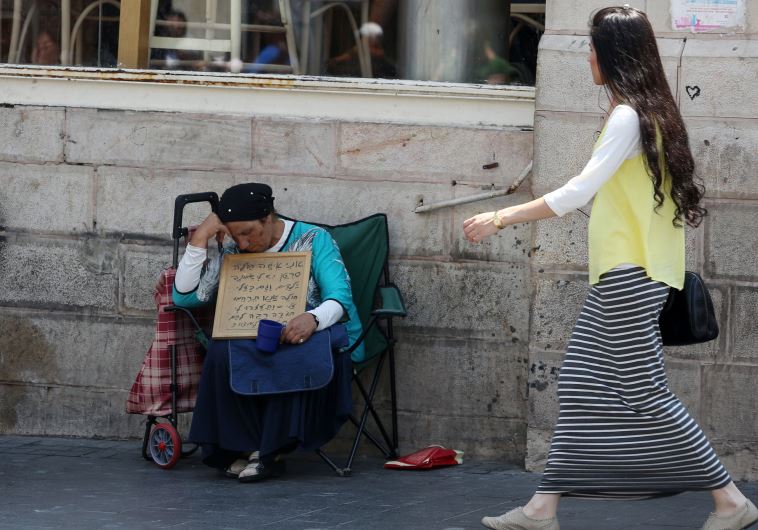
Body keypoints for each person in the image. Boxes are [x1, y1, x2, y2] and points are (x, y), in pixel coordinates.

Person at [463, 6, 757, 530]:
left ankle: (730, 501)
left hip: (629, 278)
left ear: (614, 55)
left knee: (646, 393)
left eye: (593, 48)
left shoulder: (627, 118)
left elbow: (578, 191)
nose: (589, 58)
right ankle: (541, 509)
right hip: (632, 276)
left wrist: (500, 217)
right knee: (579, 383)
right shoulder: (651, 113)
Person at [173, 182, 363, 482]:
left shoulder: (314, 239)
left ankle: (268, 450)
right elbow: (184, 297)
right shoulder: (235, 249)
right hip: (253, 334)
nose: (243, 243)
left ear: (268, 218)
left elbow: (340, 298)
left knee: (286, 352)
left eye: (248, 233)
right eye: (235, 235)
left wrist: (312, 318)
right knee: (221, 352)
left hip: (314, 332)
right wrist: (200, 238)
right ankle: (237, 447)